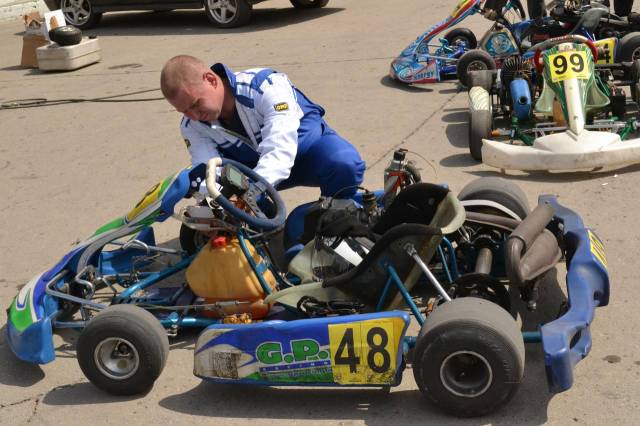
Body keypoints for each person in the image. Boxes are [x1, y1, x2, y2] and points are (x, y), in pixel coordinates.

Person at [160, 55, 366, 199]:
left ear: (211, 80)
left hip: (306, 156)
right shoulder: (191, 125)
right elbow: (209, 172)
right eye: (184, 111)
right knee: (225, 207)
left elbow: (280, 150)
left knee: (344, 163)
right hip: (253, 174)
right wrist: (214, 203)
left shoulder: (265, 86)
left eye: (195, 104)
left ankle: (336, 218)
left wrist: (250, 193)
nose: (194, 115)